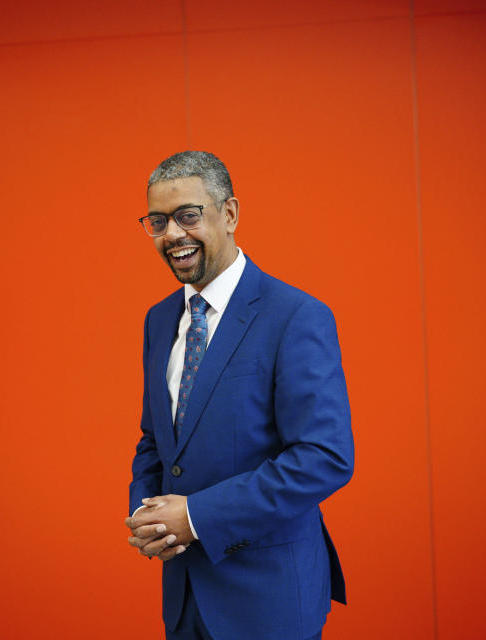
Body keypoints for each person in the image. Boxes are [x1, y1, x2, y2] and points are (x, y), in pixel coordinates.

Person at [125, 151, 354, 640]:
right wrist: (149, 516)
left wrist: (194, 516)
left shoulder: (295, 316)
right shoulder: (158, 320)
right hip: (185, 599)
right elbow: (156, 441)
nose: (173, 235)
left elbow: (324, 457)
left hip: (269, 602)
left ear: (228, 214)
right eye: (159, 221)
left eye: (189, 215)